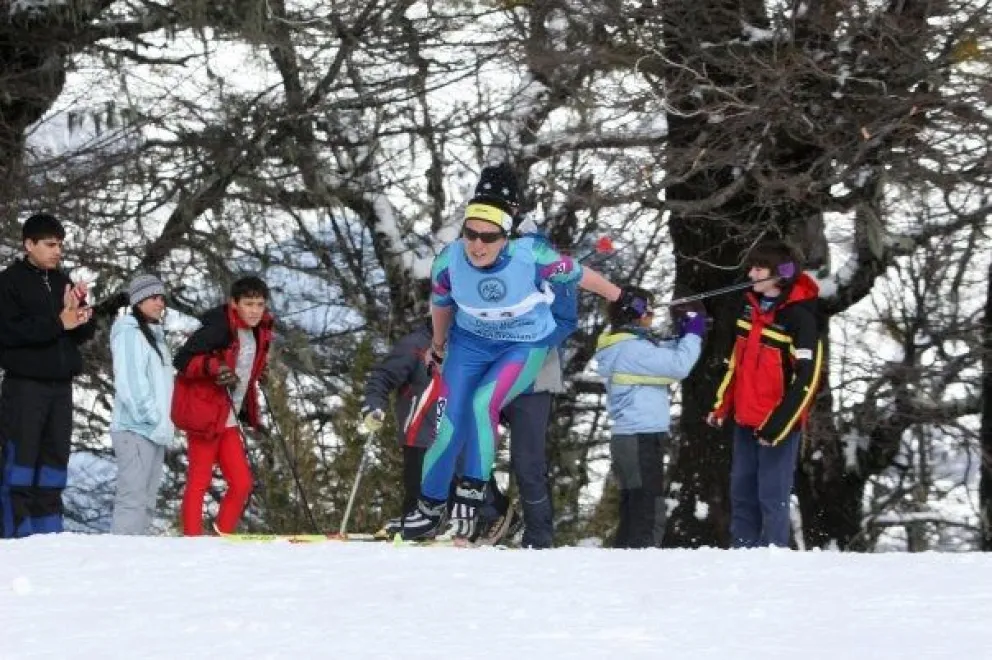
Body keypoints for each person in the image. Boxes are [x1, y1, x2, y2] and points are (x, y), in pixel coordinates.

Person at [398, 162, 647, 541]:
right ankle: (445, 511)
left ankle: (509, 517)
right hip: (473, 347)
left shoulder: (533, 251)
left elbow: (574, 291)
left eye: (489, 236)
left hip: (526, 353)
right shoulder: (453, 256)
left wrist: (621, 298)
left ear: (509, 224)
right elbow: (443, 305)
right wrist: (438, 344)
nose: (478, 244)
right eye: (471, 234)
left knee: (503, 430)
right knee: (452, 424)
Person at [707, 241, 824, 548]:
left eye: (759, 268)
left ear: (782, 274)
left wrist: (776, 427)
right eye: (752, 267)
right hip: (745, 420)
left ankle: (774, 555)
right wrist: (721, 406)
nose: (751, 273)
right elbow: (737, 364)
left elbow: (807, 382)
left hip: (777, 427)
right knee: (742, 490)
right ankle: (742, 553)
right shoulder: (750, 310)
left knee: (772, 495)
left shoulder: (801, 319)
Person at [0, 213, 95, 538]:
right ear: (29, 244)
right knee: (20, 463)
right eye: (50, 244)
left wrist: (83, 310)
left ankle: (50, 537)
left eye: (61, 245)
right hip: (24, 386)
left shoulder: (62, 281)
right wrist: (58, 323)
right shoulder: (8, 282)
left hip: (60, 387)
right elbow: (8, 332)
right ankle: (15, 537)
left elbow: (80, 334)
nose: (58, 251)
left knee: (54, 461)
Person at [594, 287, 706, 548]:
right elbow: (678, 366)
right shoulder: (631, 350)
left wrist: (683, 333)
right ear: (634, 313)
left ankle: (625, 561)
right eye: (649, 310)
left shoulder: (628, 346)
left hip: (634, 438)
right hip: (639, 438)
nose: (653, 316)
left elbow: (665, 353)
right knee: (646, 510)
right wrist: (693, 333)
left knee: (637, 508)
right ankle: (639, 565)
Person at [171, 276, 274, 536]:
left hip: (228, 416)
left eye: (259, 304)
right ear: (234, 304)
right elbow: (182, 360)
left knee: (241, 483)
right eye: (248, 304)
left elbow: (247, 362)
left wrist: (259, 373)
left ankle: (222, 536)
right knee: (200, 480)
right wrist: (214, 367)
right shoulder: (219, 326)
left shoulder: (260, 330)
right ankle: (192, 538)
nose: (254, 310)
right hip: (206, 415)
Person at [109, 275, 175, 535]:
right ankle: (120, 561)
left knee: (147, 502)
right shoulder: (129, 332)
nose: (160, 303)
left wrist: (162, 423)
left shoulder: (155, 336)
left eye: (162, 298)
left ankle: (138, 564)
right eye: (154, 297)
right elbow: (130, 382)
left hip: (154, 431)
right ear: (138, 301)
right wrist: (152, 416)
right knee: (132, 501)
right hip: (135, 429)